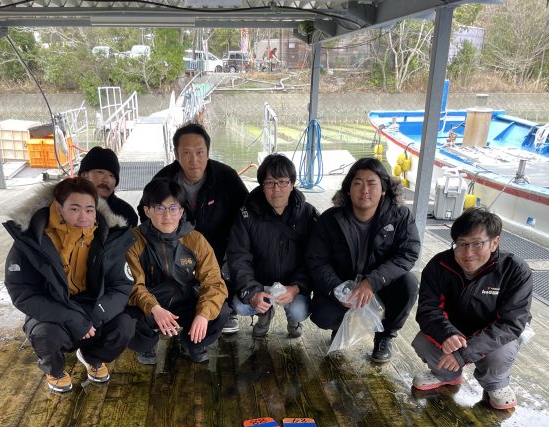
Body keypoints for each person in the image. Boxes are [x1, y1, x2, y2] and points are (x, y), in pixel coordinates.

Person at [4, 176, 136, 394]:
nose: (84, 216)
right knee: (46, 334)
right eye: (75, 209)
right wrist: (70, 317)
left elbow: (121, 285)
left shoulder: (108, 237)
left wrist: (96, 315)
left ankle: (92, 357)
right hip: (54, 307)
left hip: (93, 305)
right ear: (59, 207)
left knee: (125, 326)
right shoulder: (31, 240)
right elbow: (22, 292)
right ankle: (54, 371)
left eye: (89, 209)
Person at [412, 208, 532, 410]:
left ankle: (495, 382)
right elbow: (428, 310)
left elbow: (511, 323)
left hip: (493, 331)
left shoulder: (515, 270)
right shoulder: (438, 265)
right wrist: (447, 334)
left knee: (499, 353)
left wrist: (463, 353)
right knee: (422, 342)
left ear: (494, 242)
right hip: (454, 329)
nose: (468, 253)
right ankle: (447, 374)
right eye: (462, 244)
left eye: (477, 244)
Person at [306, 157, 420, 362]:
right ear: (348, 190)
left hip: (381, 284)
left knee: (409, 284)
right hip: (343, 283)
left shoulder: (400, 215)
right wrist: (338, 288)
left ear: (384, 189)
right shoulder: (330, 219)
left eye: (372, 183)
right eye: (357, 183)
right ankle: (339, 327)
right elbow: (316, 260)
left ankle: (385, 336)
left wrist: (372, 282)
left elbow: (408, 252)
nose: (364, 190)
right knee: (323, 314)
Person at [149, 123, 248, 334]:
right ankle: (173, 309)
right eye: (186, 152)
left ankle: (226, 308)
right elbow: (146, 212)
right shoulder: (164, 179)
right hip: (177, 244)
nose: (194, 159)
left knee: (230, 261)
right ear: (176, 154)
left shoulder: (226, 177)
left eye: (199, 152)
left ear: (208, 152)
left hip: (219, 243)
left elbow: (246, 211)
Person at [126, 178, 229, 365]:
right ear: (147, 211)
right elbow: (133, 286)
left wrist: (203, 314)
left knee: (220, 310)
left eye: (173, 208)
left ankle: (194, 342)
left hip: (185, 300)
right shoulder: (133, 241)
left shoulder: (196, 240)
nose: (167, 215)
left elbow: (214, 282)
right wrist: (154, 308)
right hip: (150, 305)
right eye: (159, 208)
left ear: (181, 211)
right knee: (124, 318)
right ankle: (146, 344)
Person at [227, 153, 318, 339]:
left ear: (292, 184)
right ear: (262, 186)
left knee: (299, 310)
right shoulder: (246, 215)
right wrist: (253, 292)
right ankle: (264, 314)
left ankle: (293, 319)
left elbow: (315, 257)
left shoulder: (308, 214)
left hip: (292, 284)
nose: (276, 189)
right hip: (260, 283)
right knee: (241, 305)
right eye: (270, 183)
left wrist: (297, 287)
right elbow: (238, 256)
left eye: (282, 182)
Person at [79, 146, 138, 228]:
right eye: (100, 172)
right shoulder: (65, 203)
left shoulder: (127, 214)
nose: (106, 180)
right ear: (84, 175)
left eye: (112, 176)